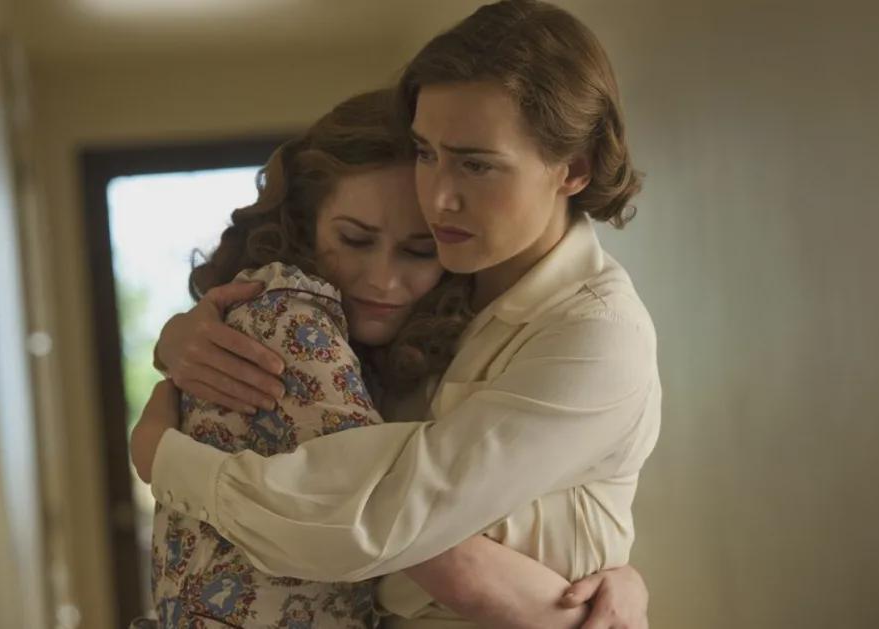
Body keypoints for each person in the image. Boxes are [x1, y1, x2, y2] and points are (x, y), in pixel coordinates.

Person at [134, 1, 660, 626]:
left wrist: (162, 458)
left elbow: (371, 521)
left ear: (573, 169)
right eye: (426, 153)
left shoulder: (596, 334)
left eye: (476, 164)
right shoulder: (433, 295)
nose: (437, 198)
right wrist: (179, 338)